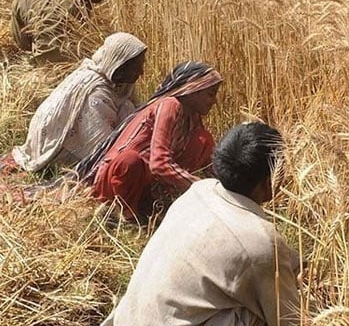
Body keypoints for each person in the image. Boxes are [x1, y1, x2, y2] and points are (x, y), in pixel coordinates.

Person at [101, 122, 300, 326]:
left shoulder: (199, 191)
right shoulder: (261, 243)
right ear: (269, 181)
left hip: (127, 320)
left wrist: (291, 262)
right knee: (255, 314)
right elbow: (291, 318)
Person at [77, 61, 223, 219]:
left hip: (145, 181)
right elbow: (159, 164)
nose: (214, 101)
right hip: (119, 181)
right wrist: (199, 187)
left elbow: (209, 164)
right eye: (211, 94)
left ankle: (156, 201)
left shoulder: (192, 117)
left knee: (203, 140)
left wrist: (222, 188)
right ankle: (124, 214)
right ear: (192, 90)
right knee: (130, 160)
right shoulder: (169, 105)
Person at [9, 32, 147, 173]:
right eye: (136, 67)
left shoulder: (117, 81)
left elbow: (136, 111)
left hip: (73, 135)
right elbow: (101, 145)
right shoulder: (96, 95)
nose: (141, 72)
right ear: (119, 64)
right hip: (55, 147)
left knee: (127, 107)